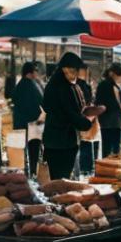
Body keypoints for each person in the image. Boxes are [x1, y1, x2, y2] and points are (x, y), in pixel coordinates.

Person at [42, 51, 102, 180]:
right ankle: (58, 199)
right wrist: (86, 122)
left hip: (54, 140)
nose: (75, 74)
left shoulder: (54, 84)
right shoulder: (63, 87)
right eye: (74, 70)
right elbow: (70, 112)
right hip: (63, 142)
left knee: (55, 178)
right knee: (61, 179)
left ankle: (55, 199)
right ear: (65, 69)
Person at [11, 61, 45, 169]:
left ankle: (23, 173)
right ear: (30, 73)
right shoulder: (34, 85)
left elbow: (14, 100)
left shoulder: (19, 85)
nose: (37, 74)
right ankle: (33, 172)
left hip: (20, 123)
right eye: (35, 71)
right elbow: (41, 101)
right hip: (33, 123)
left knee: (21, 151)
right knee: (34, 151)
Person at [96, 62, 121, 156]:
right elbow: (119, 103)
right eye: (119, 74)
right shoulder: (108, 85)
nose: (120, 77)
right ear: (111, 73)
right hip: (112, 122)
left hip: (110, 122)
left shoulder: (113, 85)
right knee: (113, 150)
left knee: (109, 150)